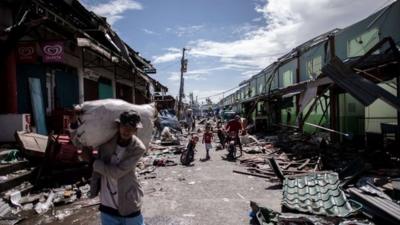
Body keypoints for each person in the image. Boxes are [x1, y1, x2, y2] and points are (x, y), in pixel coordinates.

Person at [88, 111, 146, 225]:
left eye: (131, 128)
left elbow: (117, 172)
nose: (127, 130)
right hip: (107, 204)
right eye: (124, 126)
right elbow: (81, 140)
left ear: (135, 130)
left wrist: (96, 164)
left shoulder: (138, 148)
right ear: (119, 126)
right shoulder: (107, 141)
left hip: (128, 201)